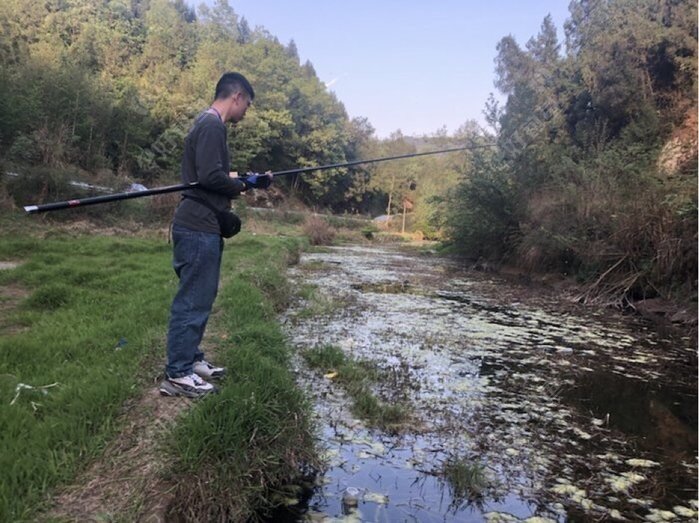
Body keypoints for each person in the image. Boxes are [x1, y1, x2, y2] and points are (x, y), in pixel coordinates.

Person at [159, 72, 273, 398]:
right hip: (197, 227)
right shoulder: (211, 126)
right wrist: (241, 186)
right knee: (193, 300)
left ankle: (191, 360)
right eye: (247, 104)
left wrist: (251, 180)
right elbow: (211, 177)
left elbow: (214, 174)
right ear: (235, 97)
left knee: (202, 297)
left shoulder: (209, 125)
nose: (247, 111)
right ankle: (178, 374)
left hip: (202, 225)